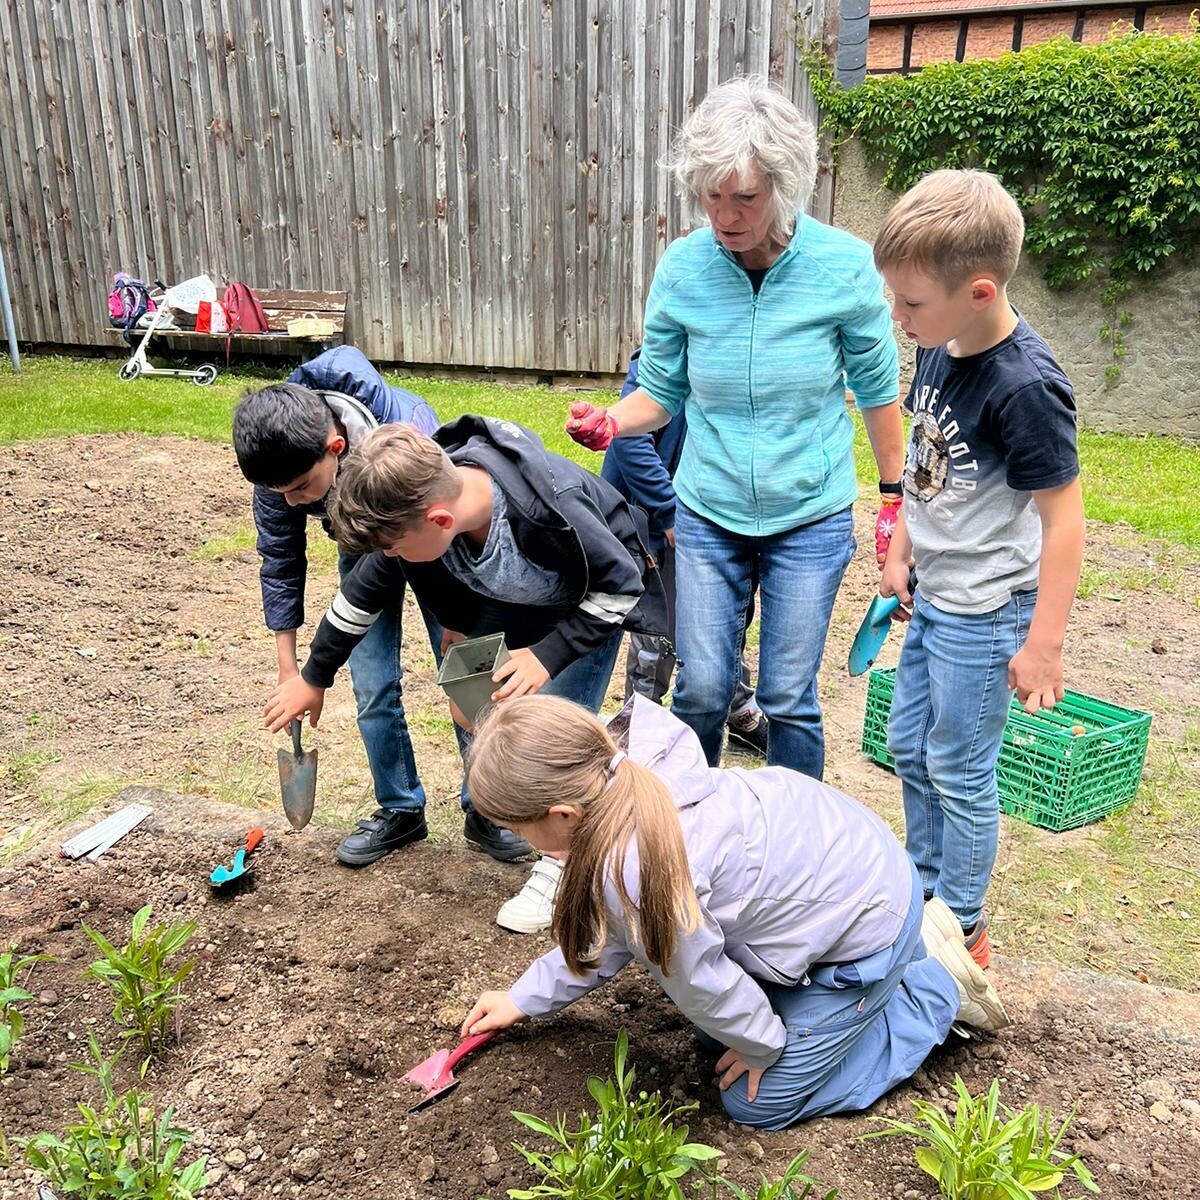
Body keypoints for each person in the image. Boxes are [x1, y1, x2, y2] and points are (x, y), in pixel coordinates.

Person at [458, 693, 1009, 1131]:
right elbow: (615, 933)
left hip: (870, 919)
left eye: (517, 828)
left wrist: (763, 1045)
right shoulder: (619, 774)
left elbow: (705, 984)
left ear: (562, 814)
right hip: (849, 873)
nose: (520, 840)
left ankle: (929, 991)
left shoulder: (645, 868)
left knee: (756, 1101)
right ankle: (877, 975)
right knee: (716, 1040)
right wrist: (522, 998)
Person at [565, 76, 904, 781]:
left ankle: (800, 850)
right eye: (711, 195)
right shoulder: (685, 269)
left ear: (786, 186)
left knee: (787, 698)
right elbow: (659, 391)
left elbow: (876, 391)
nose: (724, 215)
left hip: (807, 515)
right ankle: (688, 843)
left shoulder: (842, 268)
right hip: (710, 512)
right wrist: (612, 422)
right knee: (701, 689)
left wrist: (895, 494)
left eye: (744, 196)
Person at [262, 417, 668, 934]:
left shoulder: (551, 509)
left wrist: (545, 657)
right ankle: (538, 834)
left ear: (438, 520)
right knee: (482, 720)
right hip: (493, 610)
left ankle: (566, 869)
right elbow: (359, 599)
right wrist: (314, 676)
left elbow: (621, 587)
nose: (390, 558)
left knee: (556, 744)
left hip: (580, 611)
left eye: (394, 549)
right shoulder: (413, 520)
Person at [873, 169, 1085, 969]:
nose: (898, 320)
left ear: (980, 290)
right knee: (909, 741)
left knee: (959, 767)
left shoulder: (1027, 387)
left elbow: (1064, 523)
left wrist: (1045, 645)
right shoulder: (941, 343)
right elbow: (929, 471)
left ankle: (960, 927)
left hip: (988, 610)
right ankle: (927, 889)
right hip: (937, 595)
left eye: (911, 304)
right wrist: (902, 546)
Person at [232, 346, 443, 867]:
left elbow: (443, 516)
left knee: (464, 674)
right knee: (371, 682)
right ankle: (400, 809)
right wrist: (293, 672)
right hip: (360, 542)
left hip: (429, 538)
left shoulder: (407, 432)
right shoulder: (281, 460)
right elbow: (280, 561)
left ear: (337, 446)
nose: (290, 502)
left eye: (302, 488)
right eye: (277, 492)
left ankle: (486, 810)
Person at [601, 349, 767, 755]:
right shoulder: (664, 357)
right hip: (657, 520)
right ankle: (636, 731)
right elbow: (629, 442)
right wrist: (669, 512)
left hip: (728, 513)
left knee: (725, 618)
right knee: (659, 629)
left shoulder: (751, 356)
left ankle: (738, 705)